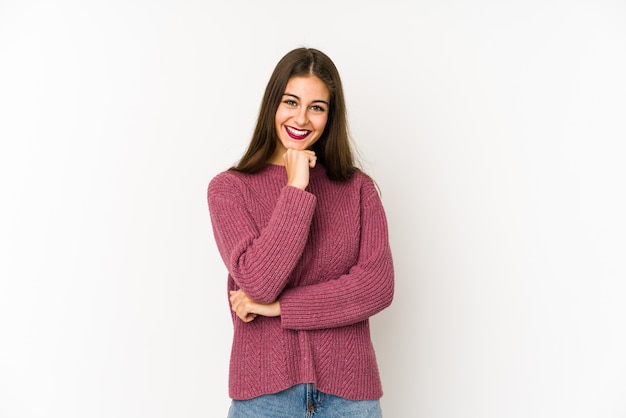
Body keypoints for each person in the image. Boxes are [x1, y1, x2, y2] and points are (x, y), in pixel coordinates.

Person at [207, 47, 394, 418]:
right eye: (291, 101)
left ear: (330, 116)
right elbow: (259, 281)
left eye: (317, 107)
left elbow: (376, 287)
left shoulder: (357, 189)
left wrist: (278, 308)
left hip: (350, 398)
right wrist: (296, 186)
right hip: (264, 399)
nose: (302, 118)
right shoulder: (229, 189)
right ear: (272, 105)